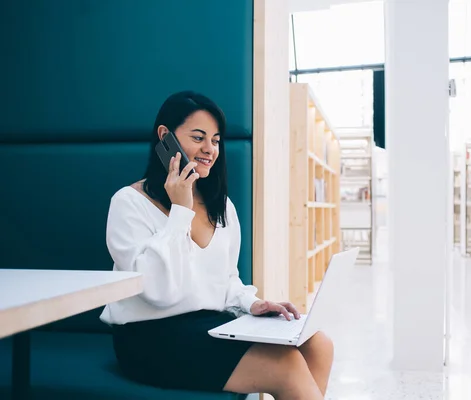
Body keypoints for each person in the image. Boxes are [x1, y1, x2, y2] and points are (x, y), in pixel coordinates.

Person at [99, 91, 333, 399]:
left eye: (216, 140)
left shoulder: (221, 206)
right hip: (149, 336)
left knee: (319, 344)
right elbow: (156, 292)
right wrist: (180, 212)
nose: (210, 149)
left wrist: (253, 303)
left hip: (209, 325)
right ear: (164, 137)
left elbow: (225, 279)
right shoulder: (128, 202)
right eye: (198, 137)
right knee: (286, 366)